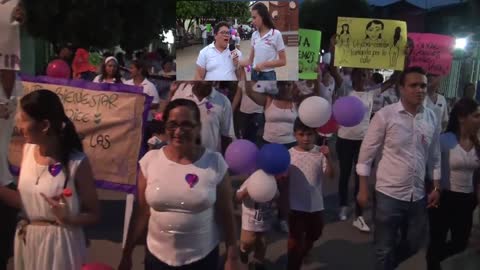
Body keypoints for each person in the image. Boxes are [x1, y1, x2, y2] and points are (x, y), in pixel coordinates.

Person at [118, 99, 243, 270]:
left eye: (186, 125)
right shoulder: (150, 161)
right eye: (172, 125)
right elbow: (140, 213)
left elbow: (227, 214)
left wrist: (232, 256)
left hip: (202, 259)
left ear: (198, 127)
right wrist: (127, 254)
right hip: (157, 258)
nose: (178, 131)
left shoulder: (215, 163)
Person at [0, 90, 100, 270]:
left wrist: (68, 218)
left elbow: (94, 213)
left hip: (59, 246)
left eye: (24, 119)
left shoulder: (76, 162)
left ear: (44, 125)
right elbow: (26, 202)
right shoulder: (27, 151)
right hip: (27, 241)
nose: (19, 125)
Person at [356, 67, 441, 270]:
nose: (419, 90)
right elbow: (366, 154)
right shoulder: (385, 116)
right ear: (401, 88)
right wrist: (363, 188)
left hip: (418, 194)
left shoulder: (431, 117)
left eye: (423, 85)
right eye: (413, 85)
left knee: (415, 243)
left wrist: (436, 186)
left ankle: (388, 264)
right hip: (388, 194)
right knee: (384, 247)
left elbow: (434, 155)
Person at [426, 98, 480, 270]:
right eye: (476, 116)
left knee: (460, 243)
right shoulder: (445, 140)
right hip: (445, 198)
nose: (479, 120)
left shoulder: (477, 144)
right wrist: (434, 190)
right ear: (462, 117)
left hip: (467, 200)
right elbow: (431, 169)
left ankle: (437, 260)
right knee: (437, 240)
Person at [245, 81, 298, 233]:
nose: (285, 87)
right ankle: (259, 214)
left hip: (289, 148)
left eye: (288, 85)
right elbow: (249, 92)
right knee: (264, 181)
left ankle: (282, 218)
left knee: (285, 186)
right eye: (282, 84)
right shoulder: (268, 100)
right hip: (268, 146)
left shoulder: (297, 103)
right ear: (277, 85)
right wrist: (248, 71)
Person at [287, 118, 334, 270]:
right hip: (295, 206)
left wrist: (328, 157)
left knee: (315, 233)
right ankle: (293, 265)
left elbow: (331, 175)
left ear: (315, 134)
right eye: (301, 134)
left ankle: (305, 250)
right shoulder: (289, 154)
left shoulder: (320, 153)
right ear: (295, 135)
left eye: (309, 134)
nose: (306, 138)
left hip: (315, 205)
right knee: (295, 241)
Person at [170, 81, 235, 153]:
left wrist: (223, 160)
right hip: (182, 156)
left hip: (210, 159)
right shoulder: (181, 94)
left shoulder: (223, 101)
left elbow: (226, 135)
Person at [236, 174, 277, 270]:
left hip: (264, 221)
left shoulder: (271, 180)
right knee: (247, 241)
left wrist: (273, 194)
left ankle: (258, 262)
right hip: (250, 222)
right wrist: (245, 192)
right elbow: (237, 197)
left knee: (262, 243)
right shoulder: (250, 181)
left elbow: (277, 194)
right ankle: (243, 251)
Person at [240, 2, 286, 81]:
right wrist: (235, 62)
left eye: (254, 17)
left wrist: (264, 64)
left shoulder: (276, 34)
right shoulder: (254, 35)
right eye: (252, 18)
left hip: (268, 76)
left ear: (263, 17)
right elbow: (250, 61)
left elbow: (283, 61)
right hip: (254, 74)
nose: (252, 21)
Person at [232, 81, 264, 145]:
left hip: (258, 113)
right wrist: (230, 111)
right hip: (243, 114)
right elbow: (237, 96)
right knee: (242, 138)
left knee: (255, 139)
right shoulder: (243, 80)